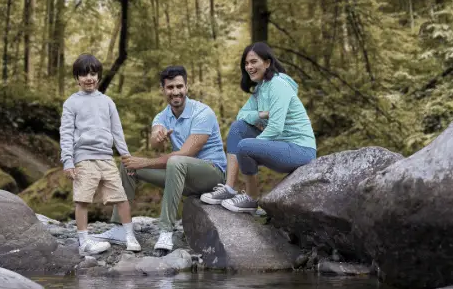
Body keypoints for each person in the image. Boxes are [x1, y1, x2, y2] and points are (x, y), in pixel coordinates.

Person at [93, 65, 227, 252]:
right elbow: (155, 139)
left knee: (175, 161)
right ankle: (120, 228)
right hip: (182, 176)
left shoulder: (203, 113)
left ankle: (166, 230)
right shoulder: (162, 116)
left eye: (179, 86)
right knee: (129, 165)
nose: (175, 92)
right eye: (170, 87)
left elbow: (187, 153)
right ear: (163, 90)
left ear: (186, 87)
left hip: (212, 175)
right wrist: (157, 135)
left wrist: (146, 162)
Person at [201, 42, 317, 213]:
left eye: (254, 61)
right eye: (246, 63)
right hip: (281, 145)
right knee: (238, 128)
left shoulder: (278, 85)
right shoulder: (261, 89)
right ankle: (229, 188)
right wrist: (262, 114)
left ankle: (251, 198)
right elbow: (241, 115)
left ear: (267, 63)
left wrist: (252, 149)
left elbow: (276, 128)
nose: (249, 67)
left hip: (301, 150)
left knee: (245, 146)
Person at [60, 54, 141, 256]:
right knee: (82, 199)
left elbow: (117, 131)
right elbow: (66, 133)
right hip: (83, 158)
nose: (89, 78)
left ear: (98, 77)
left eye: (93, 74)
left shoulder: (107, 102)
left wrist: (126, 157)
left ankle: (129, 235)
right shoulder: (71, 103)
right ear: (77, 78)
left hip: (106, 157)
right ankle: (84, 241)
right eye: (84, 74)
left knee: (120, 196)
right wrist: (68, 161)